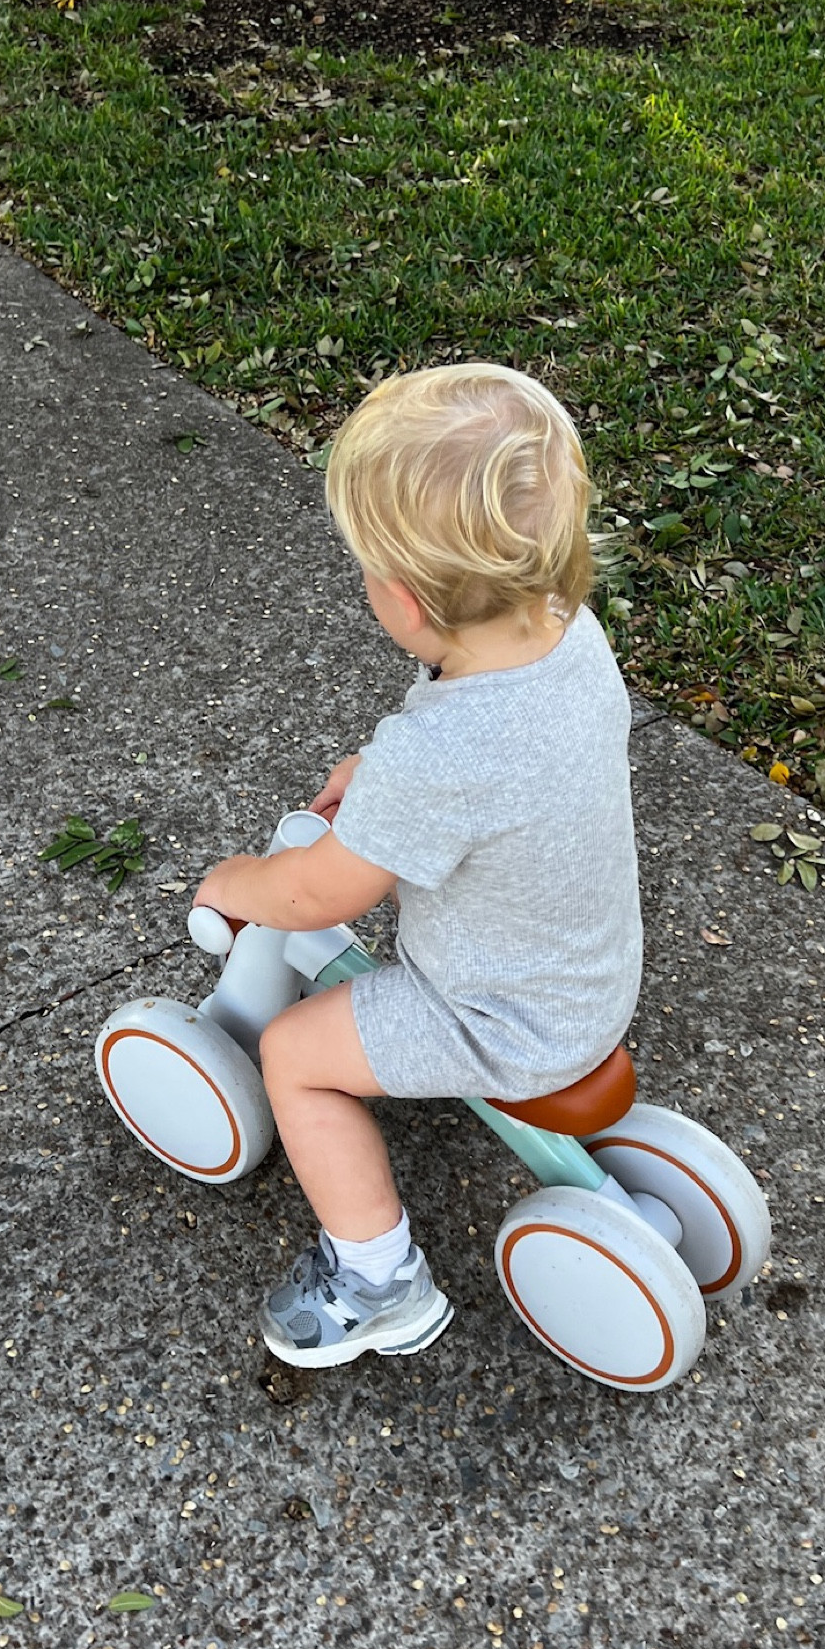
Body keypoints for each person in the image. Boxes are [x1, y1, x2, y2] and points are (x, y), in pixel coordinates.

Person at [192, 362, 642, 1366]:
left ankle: (377, 1279)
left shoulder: (437, 759)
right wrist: (379, 777)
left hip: (497, 1018)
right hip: (591, 975)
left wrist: (237, 882)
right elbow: (498, 776)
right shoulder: (572, 640)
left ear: (400, 598)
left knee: (297, 1058)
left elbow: (321, 890)